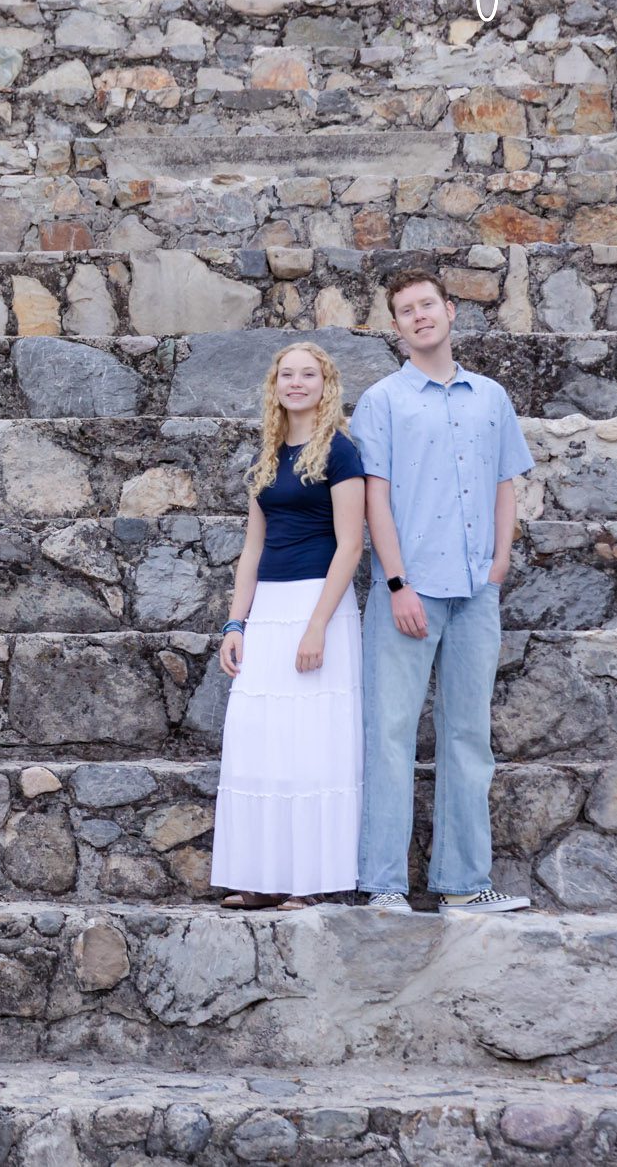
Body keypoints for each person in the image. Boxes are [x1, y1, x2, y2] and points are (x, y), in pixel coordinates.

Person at [351, 269, 535, 915]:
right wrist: (397, 582)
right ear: (396, 327)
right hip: (412, 588)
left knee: (468, 737)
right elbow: (375, 495)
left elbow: (504, 482)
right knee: (392, 733)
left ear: (450, 311)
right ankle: (383, 885)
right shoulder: (383, 401)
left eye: (428, 304)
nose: (420, 316)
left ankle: (462, 884)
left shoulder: (491, 397)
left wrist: (500, 560)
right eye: (406, 310)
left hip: (476, 590)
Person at [213, 342, 366, 910]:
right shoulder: (269, 456)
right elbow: (252, 548)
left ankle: (307, 883)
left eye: (308, 374)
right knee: (261, 744)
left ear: (325, 385)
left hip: (317, 606)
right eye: (286, 374)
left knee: (310, 748)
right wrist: (237, 623)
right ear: (274, 385)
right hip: (268, 611)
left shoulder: (341, 453)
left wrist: (317, 626)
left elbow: (351, 545)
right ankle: (261, 878)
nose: (296, 383)